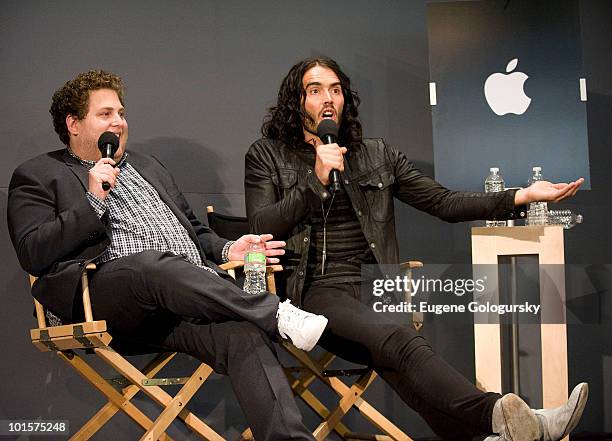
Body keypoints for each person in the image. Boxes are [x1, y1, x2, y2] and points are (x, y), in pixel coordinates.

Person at [244, 56, 588, 441]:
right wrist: (314, 179)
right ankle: (507, 415)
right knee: (400, 342)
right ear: (297, 102)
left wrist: (520, 196)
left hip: (377, 285)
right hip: (317, 292)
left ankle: (498, 434)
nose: (328, 99)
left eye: (336, 90)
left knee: (403, 368)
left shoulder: (377, 155)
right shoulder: (267, 155)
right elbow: (259, 227)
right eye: (315, 90)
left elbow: (443, 202)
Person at [7, 69, 328, 441]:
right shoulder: (39, 174)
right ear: (74, 123)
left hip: (179, 297)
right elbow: (32, 251)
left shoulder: (148, 167)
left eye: (122, 113)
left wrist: (229, 248)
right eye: (106, 114)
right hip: (106, 298)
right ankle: (274, 312)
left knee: (243, 336)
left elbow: (195, 233)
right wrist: (92, 201)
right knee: (150, 264)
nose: (119, 122)